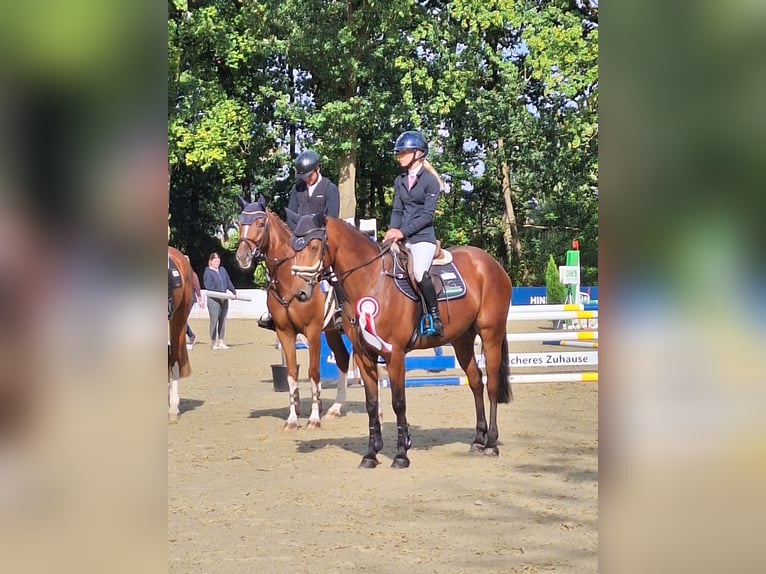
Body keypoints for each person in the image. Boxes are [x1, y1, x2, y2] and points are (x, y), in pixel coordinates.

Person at [258, 149, 345, 331]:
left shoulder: (330, 189)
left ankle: (341, 310)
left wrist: (313, 234)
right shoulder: (296, 189)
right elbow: (291, 215)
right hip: (299, 237)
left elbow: (332, 218)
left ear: (318, 169)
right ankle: (273, 313)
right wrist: (298, 235)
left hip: (321, 238)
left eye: (309, 175)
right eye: (303, 176)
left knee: (334, 272)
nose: (306, 179)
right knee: (275, 267)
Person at [383, 130, 443, 337]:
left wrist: (402, 231)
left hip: (423, 239)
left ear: (418, 153)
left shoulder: (430, 181)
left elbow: (428, 216)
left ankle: (434, 317)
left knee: (418, 273)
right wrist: (392, 231)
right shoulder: (399, 181)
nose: (399, 155)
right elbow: (397, 211)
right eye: (399, 152)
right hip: (402, 238)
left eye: (403, 152)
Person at [203, 252, 237, 349]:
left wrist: (233, 291)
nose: (217, 263)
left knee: (222, 320)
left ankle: (221, 341)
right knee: (214, 320)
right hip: (213, 300)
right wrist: (220, 294)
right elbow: (209, 286)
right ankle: (214, 342)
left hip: (224, 299)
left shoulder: (222, 270)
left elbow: (228, 281)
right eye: (215, 261)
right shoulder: (208, 272)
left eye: (218, 260)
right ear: (211, 261)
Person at [185, 256, 203, 348]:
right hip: (181, 299)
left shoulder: (192, 274)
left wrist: (200, 299)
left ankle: (184, 338)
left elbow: (197, 287)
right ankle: (191, 336)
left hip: (190, 299)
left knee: (182, 320)